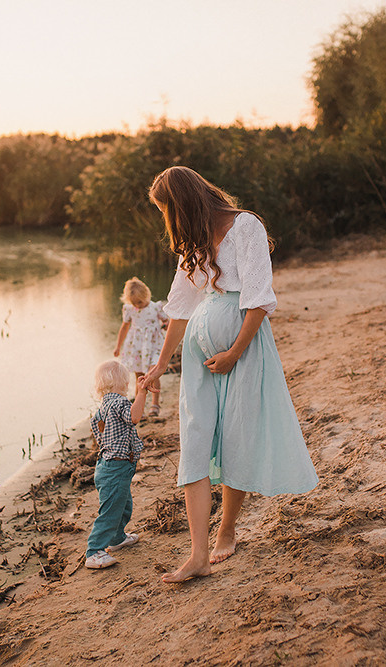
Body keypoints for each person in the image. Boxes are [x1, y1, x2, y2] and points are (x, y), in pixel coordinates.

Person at [140, 166, 319, 584]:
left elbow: (258, 299)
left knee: (236, 436)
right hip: (201, 361)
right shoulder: (194, 241)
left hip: (243, 351)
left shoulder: (246, 226)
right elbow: (180, 306)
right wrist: (162, 364)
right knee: (195, 443)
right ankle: (197, 554)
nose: (167, 220)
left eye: (167, 210)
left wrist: (235, 352)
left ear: (182, 203)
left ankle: (227, 528)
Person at [84, 360, 147, 569]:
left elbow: (103, 437)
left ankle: (117, 538)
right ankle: (94, 552)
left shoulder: (101, 410)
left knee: (123, 505)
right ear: (123, 383)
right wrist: (142, 393)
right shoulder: (120, 403)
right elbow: (134, 417)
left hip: (109, 466)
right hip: (116, 468)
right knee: (110, 511)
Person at [114, 277, 169, 417]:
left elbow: (167, 321)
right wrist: (118, 347)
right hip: (137, 347)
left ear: (146, 295)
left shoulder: (155, 307)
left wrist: (165, 325)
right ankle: (140, 408)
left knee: (153, 373)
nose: (137, 305)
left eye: (139, 302)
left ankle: (155, 404)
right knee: (139, 377)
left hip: (153, 345)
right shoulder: (129, 310)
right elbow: (124, 327)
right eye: (134, 303)